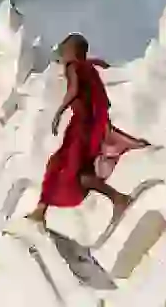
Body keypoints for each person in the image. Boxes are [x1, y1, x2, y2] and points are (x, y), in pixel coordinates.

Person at [26, 33, 149, 229]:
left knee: (61, 168)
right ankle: (117, 198)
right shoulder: (87, 68)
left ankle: (41, 211)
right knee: (71, 171)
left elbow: (74, 89)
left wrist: (59, 111)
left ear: (70, 52)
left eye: (64, 52)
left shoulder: (73, 67)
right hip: (88, 127)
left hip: (79, 129)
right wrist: (97, 61)